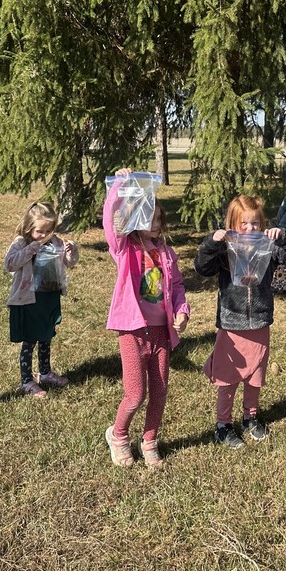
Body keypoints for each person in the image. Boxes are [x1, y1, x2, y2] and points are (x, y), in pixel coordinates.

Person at [195, 194, 286, 449]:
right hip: (232, 323)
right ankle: (223, 425)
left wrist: (285, 236)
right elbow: (202, 267)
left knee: (255, 375)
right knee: (228, 376)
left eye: (255, 223)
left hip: (259, 320)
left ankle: (250, 417)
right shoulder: (224, 250)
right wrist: (213, 242)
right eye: (243, 223)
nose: (249, 229)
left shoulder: (267, 246)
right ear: (232, 223)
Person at [103, 170, 190, 469]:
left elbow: (177, 287)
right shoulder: (126, 249)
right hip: (132, 331)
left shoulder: (167, 253)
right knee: (135, 394)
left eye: (159, 220)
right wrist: (120, 187)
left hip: (161, 333)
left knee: (160, 390)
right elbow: (112, 223)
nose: (156, 225)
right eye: (150, 218)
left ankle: (150, 440)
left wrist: (182, 312)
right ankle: (118, 435)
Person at [5, 201, 79, 399]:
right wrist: (31, 249)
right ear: (29, 227)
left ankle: (45, 373)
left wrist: (71, 252)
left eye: (48, 230)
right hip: (28, 298)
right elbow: (10, 264)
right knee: (30, 340)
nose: (44, 235)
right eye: (40, 231)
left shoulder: (54, 242)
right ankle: (26, 380)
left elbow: (68, 263)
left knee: (46, 336)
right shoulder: (21, 242)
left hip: (49, 296)